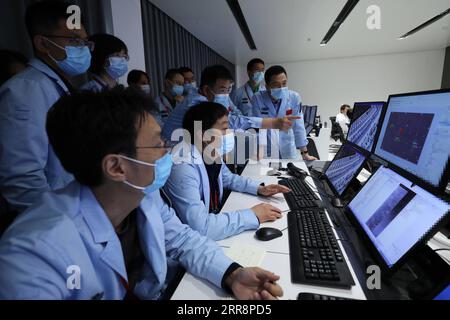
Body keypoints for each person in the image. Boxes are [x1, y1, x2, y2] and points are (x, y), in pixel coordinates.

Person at [0, 88, 283, 300]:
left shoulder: (142, 196)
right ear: (116, 166)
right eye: (157, 144)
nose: (167, 150)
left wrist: (232, 274)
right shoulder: (33, 255)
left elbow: (184, 240)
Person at [0, 1, 92, 212]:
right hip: (55, 221)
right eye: (73, 40)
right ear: (42, 43)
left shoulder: (56, 86)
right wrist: (60, 223)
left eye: (85, 42)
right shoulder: (24, 91)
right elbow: (23, 179)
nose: (83, 49)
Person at [165, 102, 290, 241]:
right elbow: (201, 227)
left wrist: (259, 188)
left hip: (214, 218)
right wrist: (252, 215)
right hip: (189, 243)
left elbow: (227, 177)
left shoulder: (209, 150)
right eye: (224, 128)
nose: (229, 133)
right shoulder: (183, 167)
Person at [162, 65, 300, 142]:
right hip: (175, 148)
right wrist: (272, 123)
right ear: (206, 89)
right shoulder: (196, 104)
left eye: (229, 89)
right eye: (223, 89)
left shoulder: (213, 96)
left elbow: (232, 114)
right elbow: (232, 121)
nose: (226, 94)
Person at [251, 66, 317, 161]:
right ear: (267, 86)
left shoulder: (294, 97)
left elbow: (298, 126)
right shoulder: (257, 98)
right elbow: (258, 127)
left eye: (284, 83)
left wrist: (304, 153)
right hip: (266, 150)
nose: (281, 88)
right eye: (276, 85)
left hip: (288, 148)